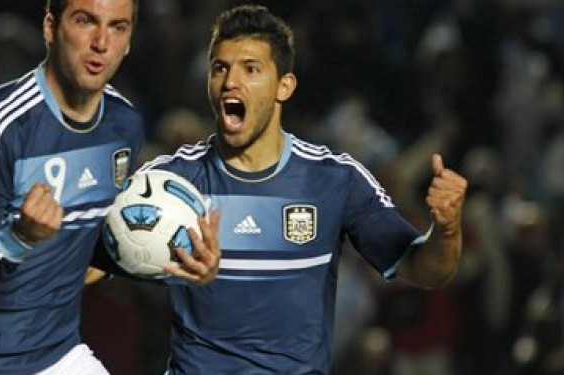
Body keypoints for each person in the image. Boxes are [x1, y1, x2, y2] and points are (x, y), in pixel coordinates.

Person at [0, 0, 219, 374]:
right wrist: (19, 236)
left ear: (128, 41)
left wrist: (175, 261)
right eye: (85, 21)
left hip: (52, 356)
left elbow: (92, 249)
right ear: (50, 27)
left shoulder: (123, 125)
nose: (101, 42)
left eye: (117, 27)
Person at [136, 5, 467, 374]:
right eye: (220, 68)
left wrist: (447, 228)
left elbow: (427, 270)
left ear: (285, 85)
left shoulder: (334, 181)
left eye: (251, 69)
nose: (231, 82)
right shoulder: (168, 182)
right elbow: (98, 260)